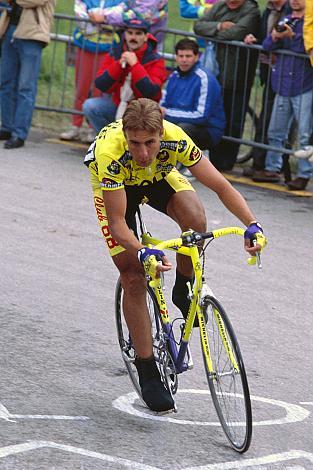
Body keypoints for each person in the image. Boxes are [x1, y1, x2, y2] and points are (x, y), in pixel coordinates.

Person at [84, 97, 265, 412]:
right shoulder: (110, 152)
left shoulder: (176, 137)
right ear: (125, 135)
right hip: (116, 188)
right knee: (132, 275)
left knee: (195, 220)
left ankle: (184, 284)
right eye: (135, 143)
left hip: (158, 178)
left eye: (150, 143)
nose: (142, 152)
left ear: (161, 135)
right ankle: (147, 368)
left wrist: (252, 225)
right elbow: (117, 224)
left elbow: (222, 187)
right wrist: (142, 252)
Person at [253, 0, 313, 190]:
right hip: (282, 85)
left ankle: (304, 174)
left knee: (304, 133)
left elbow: (305, 48)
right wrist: (277, 37)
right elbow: (267, 45)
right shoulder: (286, 18)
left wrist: (290, 36)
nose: (295, 1)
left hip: (304, 85)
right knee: (275, 131)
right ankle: (272, 168)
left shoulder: (309, 23)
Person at [194, 0, 261, 171]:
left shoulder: (251, 10)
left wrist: (217, 32)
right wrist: (220, 26)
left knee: (234, 120)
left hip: (238, 75)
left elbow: (238, 32)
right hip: (216, 73)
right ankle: (213, 159)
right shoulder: (220, 6)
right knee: (214, 117)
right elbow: (198, 26)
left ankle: (226, 161)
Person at [83, 18, 167, 133]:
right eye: (130, 33)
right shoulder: (116, 53)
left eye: (138, 34)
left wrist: (135, 65)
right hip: (118, 104)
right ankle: (107, 139)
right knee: (90, 106)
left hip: (143, 110)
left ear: (146, 37)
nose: (133, 37)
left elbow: (150, 92)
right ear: (124, 35)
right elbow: (101, 84)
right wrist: (118, 65)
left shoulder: (156, 60)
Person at [160, 38, 226, 175]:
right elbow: (164, 103)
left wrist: (168, 113)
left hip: (208, 129)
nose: (184, 60)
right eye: (181, 56)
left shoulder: (204, 78)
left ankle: (192, 161)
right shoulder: (173, 76)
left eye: (188, 56)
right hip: (181, 122)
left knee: (182, 128)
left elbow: (201, 116)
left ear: (197, 57)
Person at [243, 0, 292, 177]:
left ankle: (278, 168)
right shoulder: (268, 10)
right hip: (270, 72)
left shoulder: (290, 10)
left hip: (288, 73)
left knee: (281, 123)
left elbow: (283, 41)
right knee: (266, 119)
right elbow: (267, 39)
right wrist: (253, 37)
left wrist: (274, 41)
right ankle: (259, 163)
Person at [0, 0, 56, 149]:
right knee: (5, 83)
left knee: (25, 87)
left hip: (32, 34)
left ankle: (19, 133)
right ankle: (7, 127)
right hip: (10, 28)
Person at [60, 0, 117, 144]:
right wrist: (103, 23)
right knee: (81, 88)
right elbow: (80, 17)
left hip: (107, 50)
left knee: (99, 90)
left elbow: (118, 18)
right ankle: (76, 126)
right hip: (86, 47)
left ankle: (93, 129)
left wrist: (100, 19)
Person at [84, 0, 168, 48]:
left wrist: (105, 17)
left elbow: (140, 14)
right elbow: (126, 4)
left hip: (149, 41)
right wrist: (102, 12)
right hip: (134, 38)